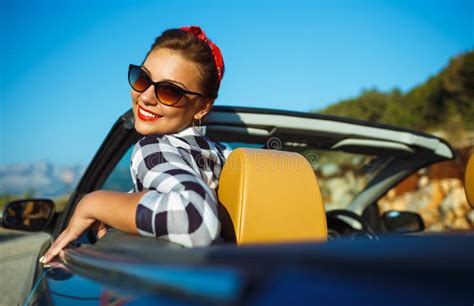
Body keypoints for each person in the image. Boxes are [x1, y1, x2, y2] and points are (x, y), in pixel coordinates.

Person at [40, 26, 231, 265]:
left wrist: (94, 204)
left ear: (203, 107)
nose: (146, 97)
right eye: (143, 78)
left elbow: (195, 218)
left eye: (170, 91)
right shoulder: (225, 157)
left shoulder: (154, 147)